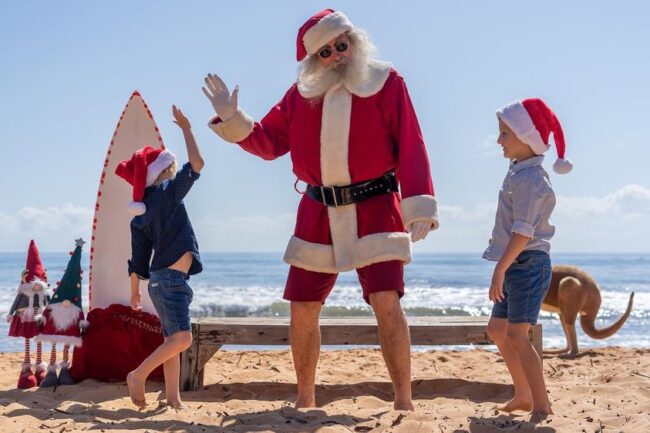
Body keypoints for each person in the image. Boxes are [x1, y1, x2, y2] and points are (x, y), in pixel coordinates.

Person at [203, 9, 439, 410]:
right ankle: (305, 398)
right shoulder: (301, 95)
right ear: (315, 59)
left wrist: (419, 206)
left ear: (354, 40)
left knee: (386, 302)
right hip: (317, 211)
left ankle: (403, 400)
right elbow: (268, 143)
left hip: (377, 206)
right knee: (302, 307)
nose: (338, 55)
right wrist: (232, 118)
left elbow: (412, 143)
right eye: (326, 52)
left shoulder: (387, 82)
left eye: (342, 45)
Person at [484, 98, 573, 415]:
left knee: (518, 336)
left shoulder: (532, 179)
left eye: (505, 134)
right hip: (515, 264)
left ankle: (542, 406)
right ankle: (523, 395)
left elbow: (523, 233)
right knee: (497, 330)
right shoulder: (518, 173)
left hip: (528, 264)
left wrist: (500, 269)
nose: (499, 141)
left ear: (527, 138)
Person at [115, 106, 204, 410]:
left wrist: (134, 294)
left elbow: (138, 262)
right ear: (164, 172)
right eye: (171, 168)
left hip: (158, 282)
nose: (173, 171)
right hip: (171, 281)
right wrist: (187, 129)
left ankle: (174, 400)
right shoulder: (167, 193)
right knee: (182, 340)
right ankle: (138, 376)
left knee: (171, 342)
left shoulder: (139, 216)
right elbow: (198, 164)